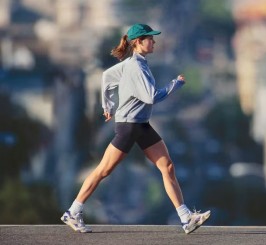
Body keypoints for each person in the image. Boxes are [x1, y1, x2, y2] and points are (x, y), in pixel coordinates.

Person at [60, 23, 210, 234]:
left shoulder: (134, 63)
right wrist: (175, 84)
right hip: (129, 127)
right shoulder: (136, 67)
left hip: (141, 125)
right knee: (104, 170)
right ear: (138, 42)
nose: (154, 41)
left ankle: (186, 218)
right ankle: (73, 212)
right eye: (150, 38)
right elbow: (151, 97)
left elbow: (106, 77)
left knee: (167, 167)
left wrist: (107, 106)